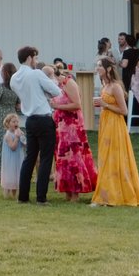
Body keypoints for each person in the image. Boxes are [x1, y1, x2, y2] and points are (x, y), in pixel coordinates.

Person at [91, 56, 139, 208]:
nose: (97, 69)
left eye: (100, 66)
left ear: (108, 69)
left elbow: (124, 110)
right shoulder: (104, 86)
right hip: (105, 123)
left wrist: (105, 105)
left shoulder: (115, 86)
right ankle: (105, 195)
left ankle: (116, 195)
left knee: (114, 157)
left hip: (115, 125)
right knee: (104, 157)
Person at [10, 48, 58, 202]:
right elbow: (56, 91)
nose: (36, 61)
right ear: (30, 58)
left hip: (29, 119)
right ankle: (41, 197)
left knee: (30, 157)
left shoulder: (14, 78)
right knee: (45, 158)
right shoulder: (36, 73)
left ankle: (23, 196)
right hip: (43, 118)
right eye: (35, 58)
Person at [50, 61, 96, 200]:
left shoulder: (69, 83)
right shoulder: (56, 86)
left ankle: (76, 192)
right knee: (63, 158)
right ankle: (67, 192)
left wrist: (57, 106)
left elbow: (77, 104)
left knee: (74, 158)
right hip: (61, 127)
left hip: (72, 127)